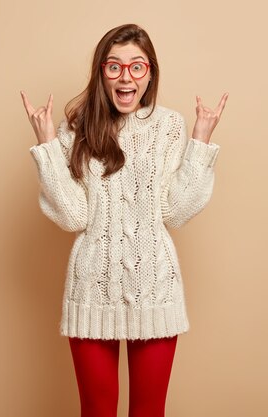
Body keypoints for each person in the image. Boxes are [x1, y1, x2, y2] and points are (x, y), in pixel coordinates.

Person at [21, 23, 227, 417]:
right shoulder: (79, 127)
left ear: (150, 74)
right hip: (92, 290)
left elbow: (175, 210)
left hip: (155, 290)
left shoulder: (169, 126)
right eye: (114, 67)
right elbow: (73, 215)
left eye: (136, 66)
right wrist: (48, 144)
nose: (126, 76)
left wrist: (200, 139)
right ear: (101, 73)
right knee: (97, 411)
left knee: (149, 412)